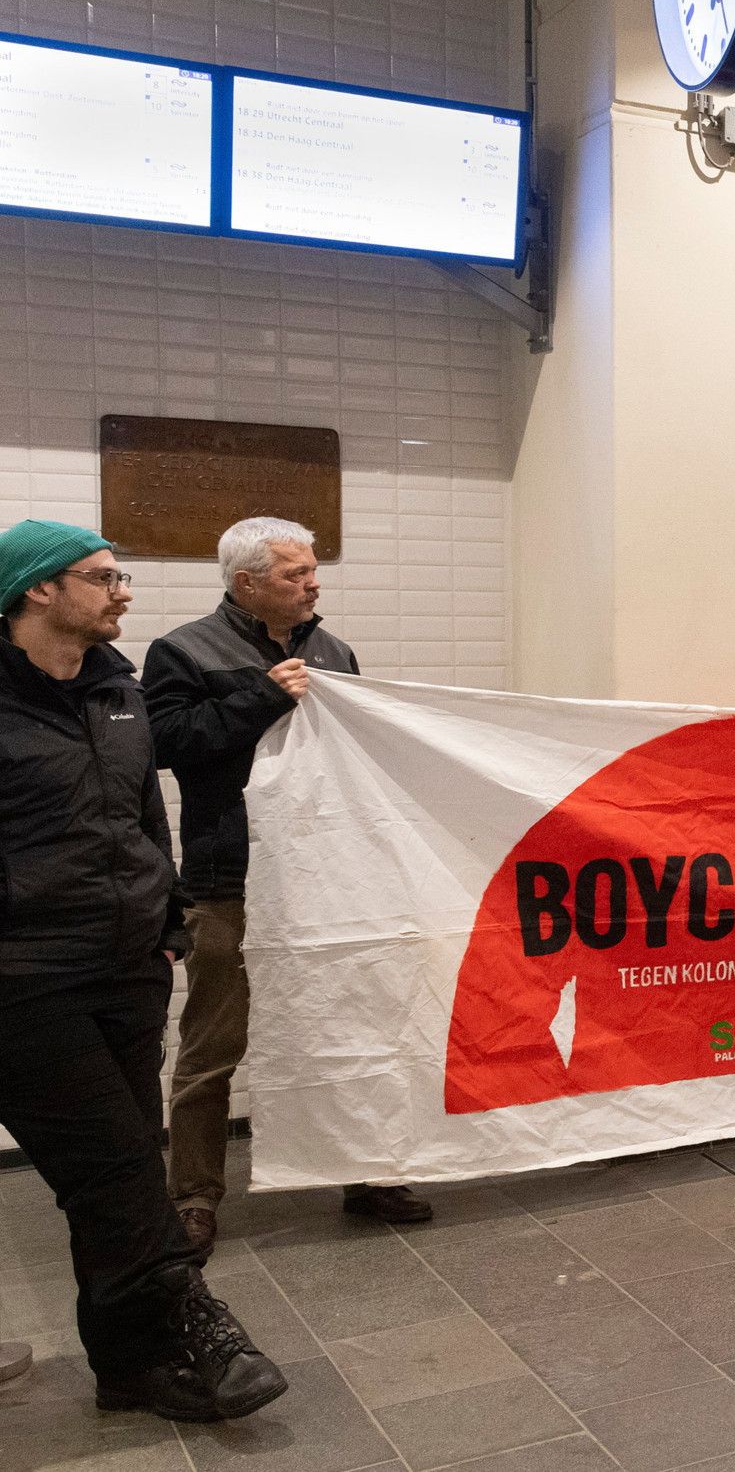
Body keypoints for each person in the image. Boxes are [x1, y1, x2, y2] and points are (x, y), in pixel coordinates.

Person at [0, 520, 286, 1421]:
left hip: (128, 965)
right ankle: (198, 1321)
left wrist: (166, 918)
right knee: (120, 1165)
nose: (123, 591)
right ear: (39, 590)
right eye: (102, 577)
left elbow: (139, 815)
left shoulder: (115, 694)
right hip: (26, 979)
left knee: (110, 1175)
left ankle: (125, 1370)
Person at [145, 519, 433, 1255]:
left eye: (311, 570)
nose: (313, 583)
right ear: (246, 583)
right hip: (227, 878)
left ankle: (365, 1174)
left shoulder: (333, 651)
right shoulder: (182, 650)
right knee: (212, 1045)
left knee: (350, 1030)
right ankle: (193, 1199)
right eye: (295, 573)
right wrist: (261, 698)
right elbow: (170, 746)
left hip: (325, 877)